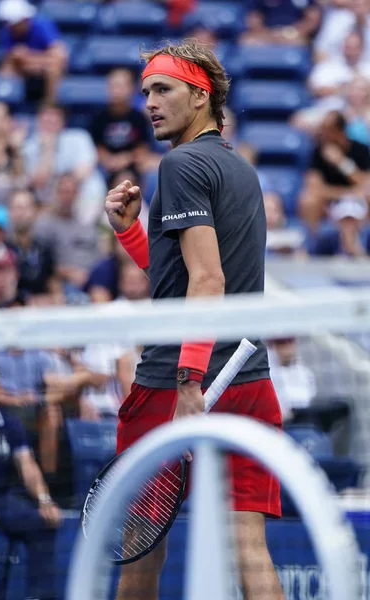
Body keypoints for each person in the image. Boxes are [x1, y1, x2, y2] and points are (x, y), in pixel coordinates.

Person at [105, 41, 284, 600]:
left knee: (139, 553)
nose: (150, 103)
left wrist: (188, 381)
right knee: (249, 551)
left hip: (176, 384)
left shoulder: (180, 164)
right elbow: (180, 279)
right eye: (146, 93)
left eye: (163, 90)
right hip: (249, 382)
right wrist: (134, 231)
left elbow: (208, 282)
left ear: (200, 96)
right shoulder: (240, 168)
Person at [0, 354, 62, 600]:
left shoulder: (10, 424)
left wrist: (44, 500)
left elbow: (27, 465)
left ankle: (38, 596)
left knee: (43, 524)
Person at [23, 103, 106, 225]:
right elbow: (39, 182)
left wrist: (63, 189)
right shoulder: (30, 146)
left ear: (62, 123)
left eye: (53, 120)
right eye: (45, 120)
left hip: (84, 196)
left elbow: (84, 171)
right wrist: (48, 150)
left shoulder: (78, 137)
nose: (49, 125)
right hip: (51, 205)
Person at [299, 110, 370, 229]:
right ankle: (315, 243)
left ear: (339, 131)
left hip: (359, 200)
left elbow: (365, 184)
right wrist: (347, 193)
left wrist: (342, 163)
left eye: (327, 130)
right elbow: (314, 188)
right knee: (308, 200)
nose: (322, 134)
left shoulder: (360, 150)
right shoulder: (317, 152)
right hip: (330, 201)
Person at [0, 0, 67, 102]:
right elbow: (11, 57)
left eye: (13, 24)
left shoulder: (42, 25)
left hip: (45, 65)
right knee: (8, 65)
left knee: (54, 67)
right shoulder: (8, 32)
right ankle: (6, 102)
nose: (10, 27)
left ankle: (50, 104)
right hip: (24, 67)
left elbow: (60, 55)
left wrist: (29, 57)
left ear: (25, 20)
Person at [8, 188, 62, 304]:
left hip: (41, 312)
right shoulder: (3, 250)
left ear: (35, 212)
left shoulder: (44, 249)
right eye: (17, 208)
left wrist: (54, 299)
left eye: (25, 208)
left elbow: (54, 286)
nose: (21, 213)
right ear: (10, 212)